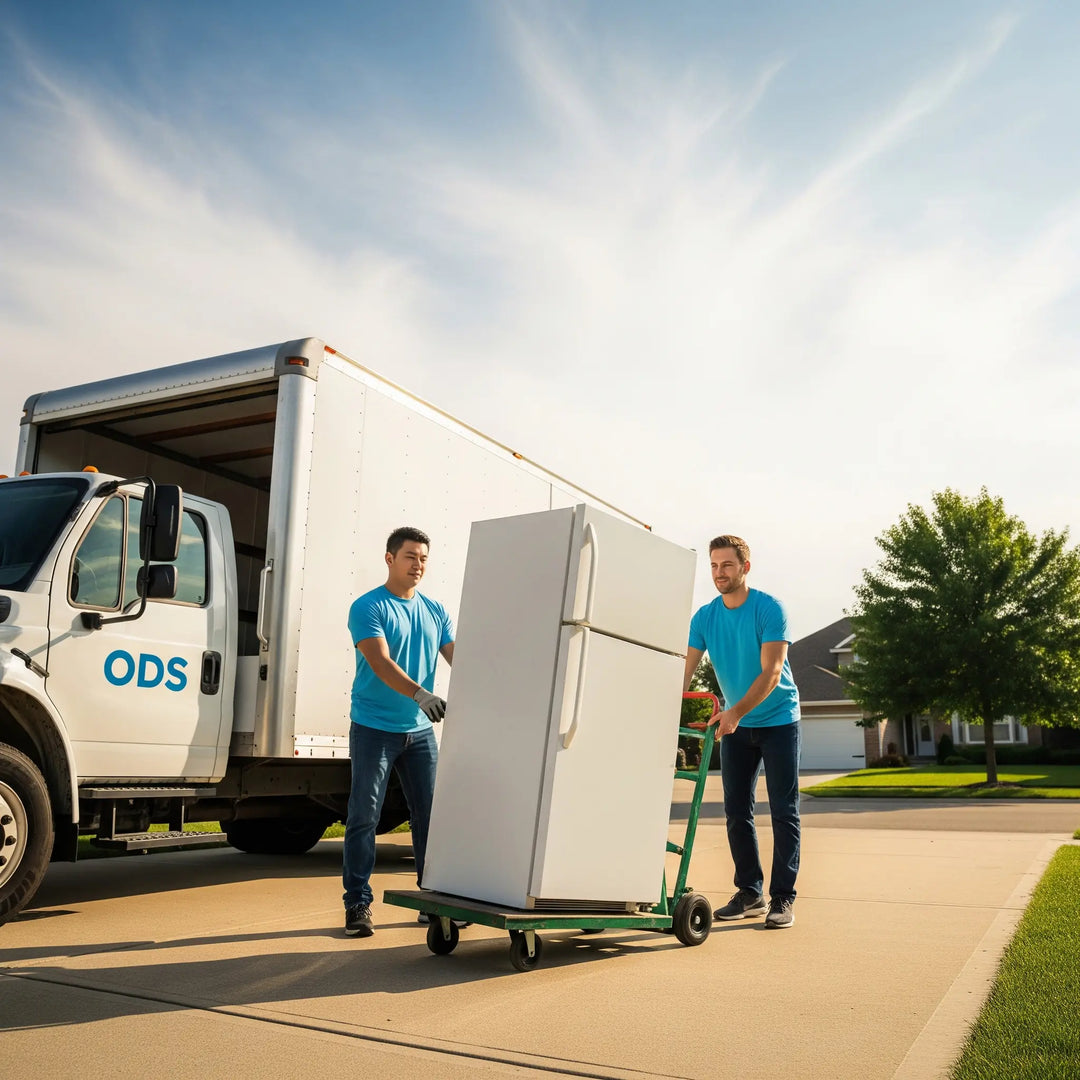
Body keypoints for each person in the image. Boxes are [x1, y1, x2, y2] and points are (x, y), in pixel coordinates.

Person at [683, 535, 801, 929]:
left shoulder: (769, 609)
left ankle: (782, 899)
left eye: (727, 565)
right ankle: (750, 891)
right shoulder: (704, 618)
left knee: (784, 812)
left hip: (780, 720)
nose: (719, 573)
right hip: (735, 722)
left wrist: (734, 712)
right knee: (736, 811)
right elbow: (681, 671)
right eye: (714, 566)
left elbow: (770, 673)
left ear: (745, 568)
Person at [342, 526, 454, 938]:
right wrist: (421, 694)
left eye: (423, 558)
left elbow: (460, 657)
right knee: (363, 817)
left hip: (420, 732)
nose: (418, 565)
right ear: (390, 559)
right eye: (410, 556)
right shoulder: (368, 607)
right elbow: (380, 662)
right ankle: (357, 903)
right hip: (374, 727)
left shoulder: (436, 610)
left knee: (429, 817)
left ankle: (432, 900)